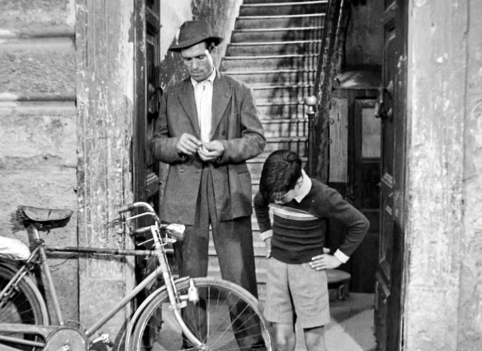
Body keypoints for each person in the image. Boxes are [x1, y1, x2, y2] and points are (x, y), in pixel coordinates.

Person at [152, 20, 266, 349]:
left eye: (199, 58)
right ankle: (193, 342)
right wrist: (176, 145)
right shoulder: (173, 94)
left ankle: (251, 342)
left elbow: (257, 140)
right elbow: (156, 143)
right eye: (187, 60)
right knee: (189, 276)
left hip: (228, 191)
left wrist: (226, 148)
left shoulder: (238, 91)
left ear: (212, 51)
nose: (194, 66)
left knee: (240, 274)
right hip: (185, 196)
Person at [253, 150, 370, 351]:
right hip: (278, 270)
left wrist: (338, 258)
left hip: (308, 272)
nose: (276, 200)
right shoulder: (274, 188)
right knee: (281, 340)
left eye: (281, 197)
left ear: (298, 183)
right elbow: (259, 204)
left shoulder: (323, 196)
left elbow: (360, 223)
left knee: (313, 341)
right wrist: (267, 236)